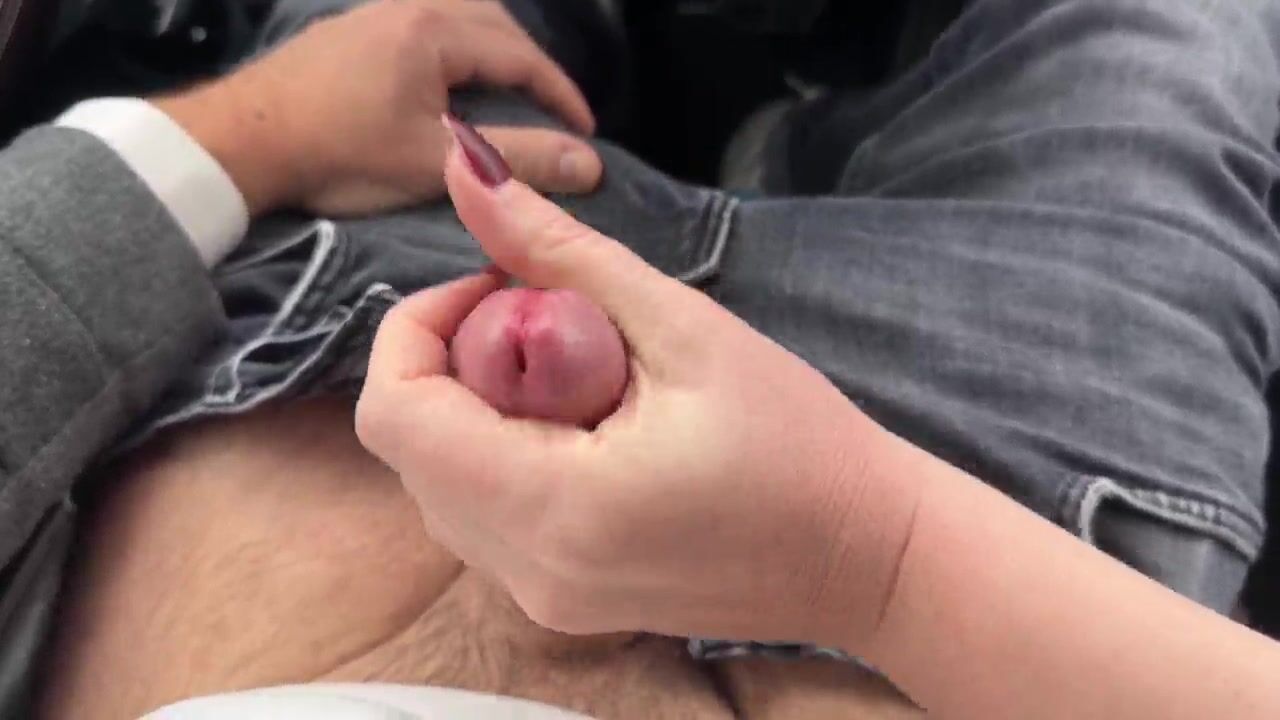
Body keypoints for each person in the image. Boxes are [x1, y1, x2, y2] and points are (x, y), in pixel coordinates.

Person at [4, 0, 1279, 717]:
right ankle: (804, 144)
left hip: (342, 308)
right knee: (1172, 27)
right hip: (1011, 541)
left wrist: (249, 133)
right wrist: (873, 556)